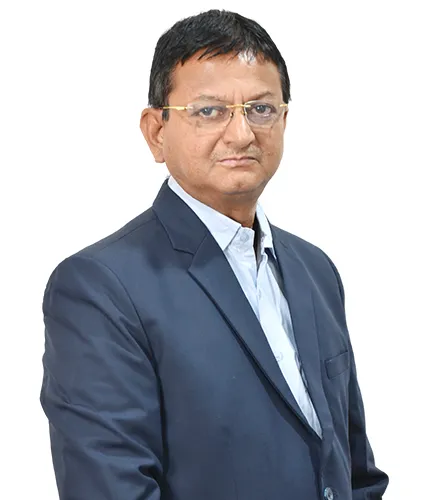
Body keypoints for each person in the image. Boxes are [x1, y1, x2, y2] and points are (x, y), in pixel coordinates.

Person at [40, 9, 389, 500]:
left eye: (261, 109)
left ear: (284, 120)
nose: (242, 134)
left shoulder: (316, 270)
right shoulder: (100, 288)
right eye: (209, 111)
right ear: (156, 132)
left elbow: (355, 475)